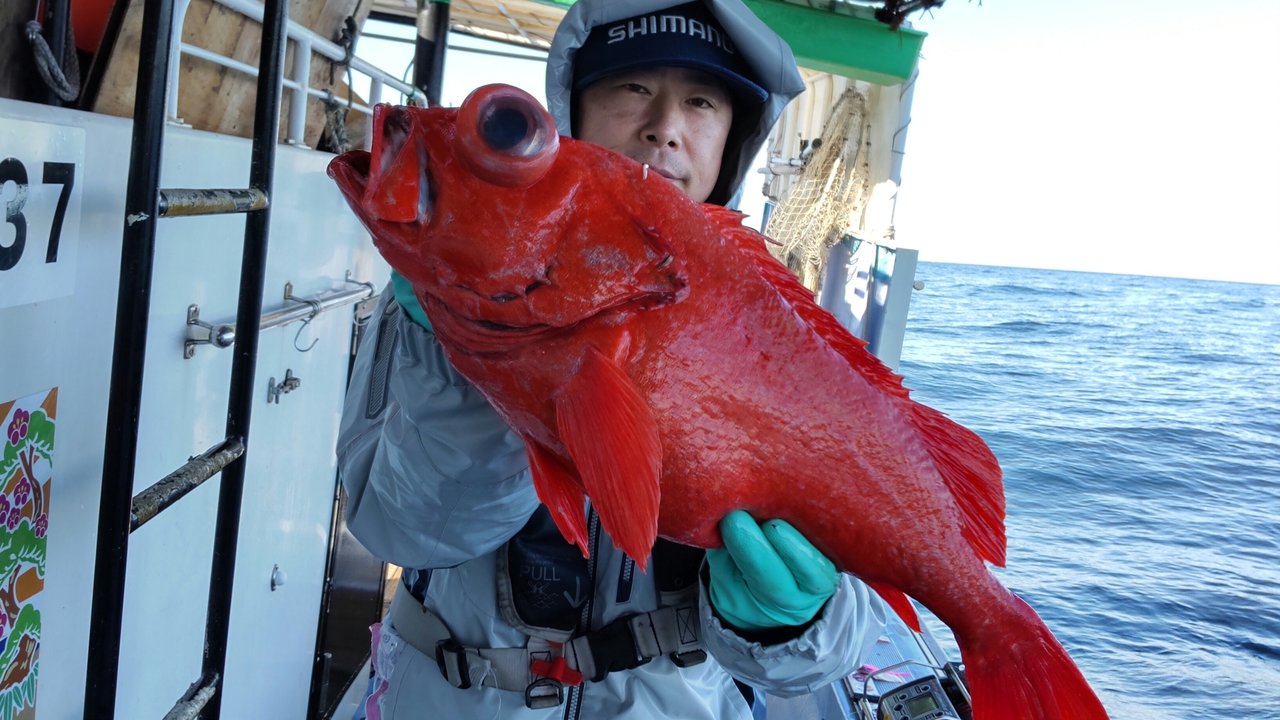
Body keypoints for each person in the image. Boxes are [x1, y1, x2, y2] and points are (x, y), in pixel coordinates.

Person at [337, 1, 887, 717]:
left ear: (732, 139)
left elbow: (833, 652)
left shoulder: (786, 335)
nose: (665, 126)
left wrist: (790, 624)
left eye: (701, 101)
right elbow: (397, 530)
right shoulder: (431, 296)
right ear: (573, 114)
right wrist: (477, 351)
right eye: (630, 89)